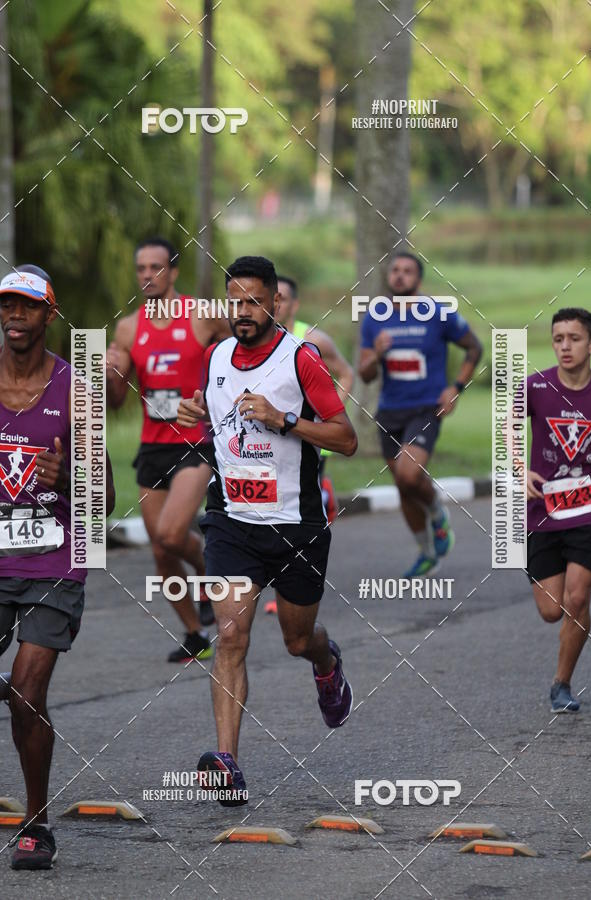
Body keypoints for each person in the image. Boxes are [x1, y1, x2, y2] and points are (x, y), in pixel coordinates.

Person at [177, 256, 357, 804]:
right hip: (231, 521)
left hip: (295, 524)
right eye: (235, 302)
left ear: (276, 302)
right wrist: (195, 415)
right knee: (230, 636)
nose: (244, 313)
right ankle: (227, 764)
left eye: (254, 302)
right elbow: (220, 422)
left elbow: (345, 438)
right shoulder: (215, 357)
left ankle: (328, 666)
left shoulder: (301, 359)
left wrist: (284, 420)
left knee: (298, 639)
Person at [0, 265, 115, 870]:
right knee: (19, 695)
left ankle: (37, 821)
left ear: (50, 315)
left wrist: (68, 475)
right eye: (7, 307)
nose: (15, 317)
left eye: (28, 308)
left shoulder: (78, 388)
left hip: (55, 561)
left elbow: (108, 498)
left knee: (27, 690)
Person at [107, 237, 230, 661]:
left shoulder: (203, 316)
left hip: (194, 443)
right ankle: (196, 635)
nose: (147, 275)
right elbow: (117, 400)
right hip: (151, 446)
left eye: (156, 267)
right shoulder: (127, 328)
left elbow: (243, 353)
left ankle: (210, 577)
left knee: (172, 533)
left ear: (173, 272)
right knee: (161, 549)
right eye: (141, 268)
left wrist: (220, 399)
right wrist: (110, 373)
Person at [358, 252, 482, 578]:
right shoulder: (375, 317)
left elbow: (474, 348)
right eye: (394, 271)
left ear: (418, 278)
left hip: (426, 406)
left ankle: (437, 510)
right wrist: (378, 354)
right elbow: (366, 372)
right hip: (389, 410)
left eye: (407, 271)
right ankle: (427, 552)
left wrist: (455, 387)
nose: (399, 276)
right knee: (402, 485)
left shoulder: (438, 314)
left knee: (409, 475)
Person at [259, 275, 354, 614]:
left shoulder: (311, 339)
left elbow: (346, 373)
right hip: (267, 443)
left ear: (294, 304)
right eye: (273, 297)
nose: (277, 304)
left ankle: (288, 586)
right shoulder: (254, 341)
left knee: (294, 507)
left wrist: (328, 415)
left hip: (307, 439)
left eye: (283, 298)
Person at [526, 308, 591, 713]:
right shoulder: (535, 387)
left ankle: (562, 684)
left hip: (590, 511)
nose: (565, 346)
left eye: (574, 338)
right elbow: (506, 429)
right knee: (551, 610)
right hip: (543, 512)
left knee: (577, 597)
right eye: (558, 339)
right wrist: (519, 470)